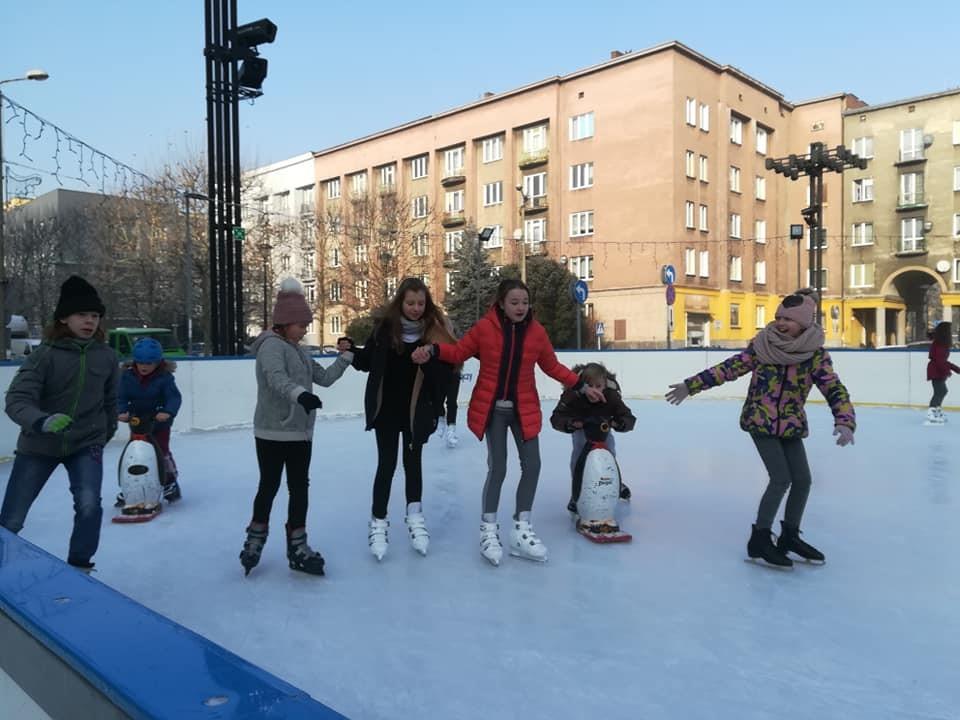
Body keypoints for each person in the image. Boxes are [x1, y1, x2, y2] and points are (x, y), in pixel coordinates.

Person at [412, 278, 604, 566]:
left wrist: (581, 386)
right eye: (514, 302)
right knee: (498, 467)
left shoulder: (536, 333)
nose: (520, 307)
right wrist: (434, 350)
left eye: (525, 303)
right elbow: (459, 352)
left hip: (524, 408)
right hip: (493, 410)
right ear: (501, 303)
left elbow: (552, 366)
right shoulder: (485, 329)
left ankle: (521, 528)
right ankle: (488, 530)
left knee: (533, 465)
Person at [665, 290, 856, 569]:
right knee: (780, 479)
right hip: (761, 420)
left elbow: (834, 388)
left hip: (790, 424)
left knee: (802, 480)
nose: (780, 323)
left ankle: (789, 536)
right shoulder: (763, 346)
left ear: (804, 323)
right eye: (778, 317)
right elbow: (728, 369)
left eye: (788, 319)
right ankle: (760, 539)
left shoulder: (814, 355)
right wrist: (690, 386)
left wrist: (844, 420)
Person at [1, 276, 119, 573]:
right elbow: (16, 399)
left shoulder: (106, 357)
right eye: (82, 315)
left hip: (85, 443)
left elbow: (110, 402)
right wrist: (42, 421)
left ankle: (79, 567)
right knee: (13, 516)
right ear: (64, 317)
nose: (90, 321)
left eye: (94, 316)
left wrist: (102, 435)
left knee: (90, 505)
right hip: (39, 445)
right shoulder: (45, 355)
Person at [239, 278, 354, 577]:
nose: (305, 329)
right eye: (301, 324)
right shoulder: (271, 347)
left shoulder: (300, 351)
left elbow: (325, 378)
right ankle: (255, 539)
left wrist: (346, 358)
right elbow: (277, 379)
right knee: (269, 486)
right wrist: (300, 395)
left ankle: (297, 546)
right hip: (271, 431)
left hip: (301, 433)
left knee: (299, 488)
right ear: (285, 322)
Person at [350, 277, 454, 561]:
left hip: (415, 413)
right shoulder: (385, 330)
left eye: (421, 303)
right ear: (401, 302)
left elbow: (445, 377)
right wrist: (350, 351)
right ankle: (379, 523)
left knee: (413, 464)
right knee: (386, 465)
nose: (416, 308)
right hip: (386, 411)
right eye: (410, 303)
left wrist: (429, 359)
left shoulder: (435, 333)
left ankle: (415, 517)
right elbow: (367, 362)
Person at [550, 362, 636, 513]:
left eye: (599, 386)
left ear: (605, 385)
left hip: (603, 429)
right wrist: (571, 423)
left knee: (608, 455)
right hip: (581, 429)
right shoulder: (573, 394)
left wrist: (619, 423)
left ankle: (615, 484)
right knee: (578, 458)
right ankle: (576, 492)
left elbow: (628, 417)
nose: (595, 391)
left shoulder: (611, 395)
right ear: (583, 385)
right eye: (591, 386)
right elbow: (556, 417)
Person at [116, 337, 183, 505]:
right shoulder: (127, 377)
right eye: (141, 362)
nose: (145, 366)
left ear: (158, 362)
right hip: (137, 420)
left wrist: (167, 412)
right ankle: (131, 486)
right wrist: (121, 411)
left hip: (159, 422)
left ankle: (170, 482)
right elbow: (120, 396)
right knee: (135, 453)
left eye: (150, 363)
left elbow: (173, 398)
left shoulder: (164, 377)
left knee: (161, 452)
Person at [925, 321, 958, 425]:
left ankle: (937, 411)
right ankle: (931, 412)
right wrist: (947, 371)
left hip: (938, 370)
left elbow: (943, 361)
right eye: (949, 330)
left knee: (942, 391)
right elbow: (939, 360)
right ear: (945, 332)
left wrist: (956, 369)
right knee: (940, 391)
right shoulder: (939, 344)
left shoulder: (941, 343)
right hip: (936, 370)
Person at [441, 317, 464, 449]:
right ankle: (441, 420)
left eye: (449, 326)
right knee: (437, 401)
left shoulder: (458, 338)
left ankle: (451, 428)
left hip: (454, 372)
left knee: (451, 402)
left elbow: (464, 350)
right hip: (440, 373)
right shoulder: (436, 338)